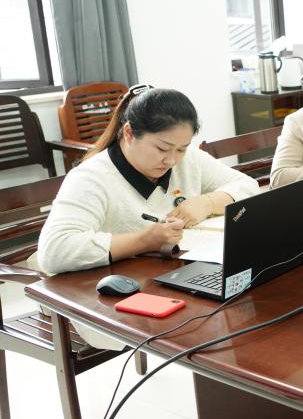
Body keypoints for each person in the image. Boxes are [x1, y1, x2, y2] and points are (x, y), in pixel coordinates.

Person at [34, 85, 260, 349]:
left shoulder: (187, 160)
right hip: (106, 296)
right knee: (207, 326)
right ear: (129, 133)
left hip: (170, 277)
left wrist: (207, 202)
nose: (172, 160)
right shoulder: (91, 178)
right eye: (162, 148)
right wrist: (144, 240)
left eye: (182, 149)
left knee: (235, 311)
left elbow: (247, 185)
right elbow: (54, 250)